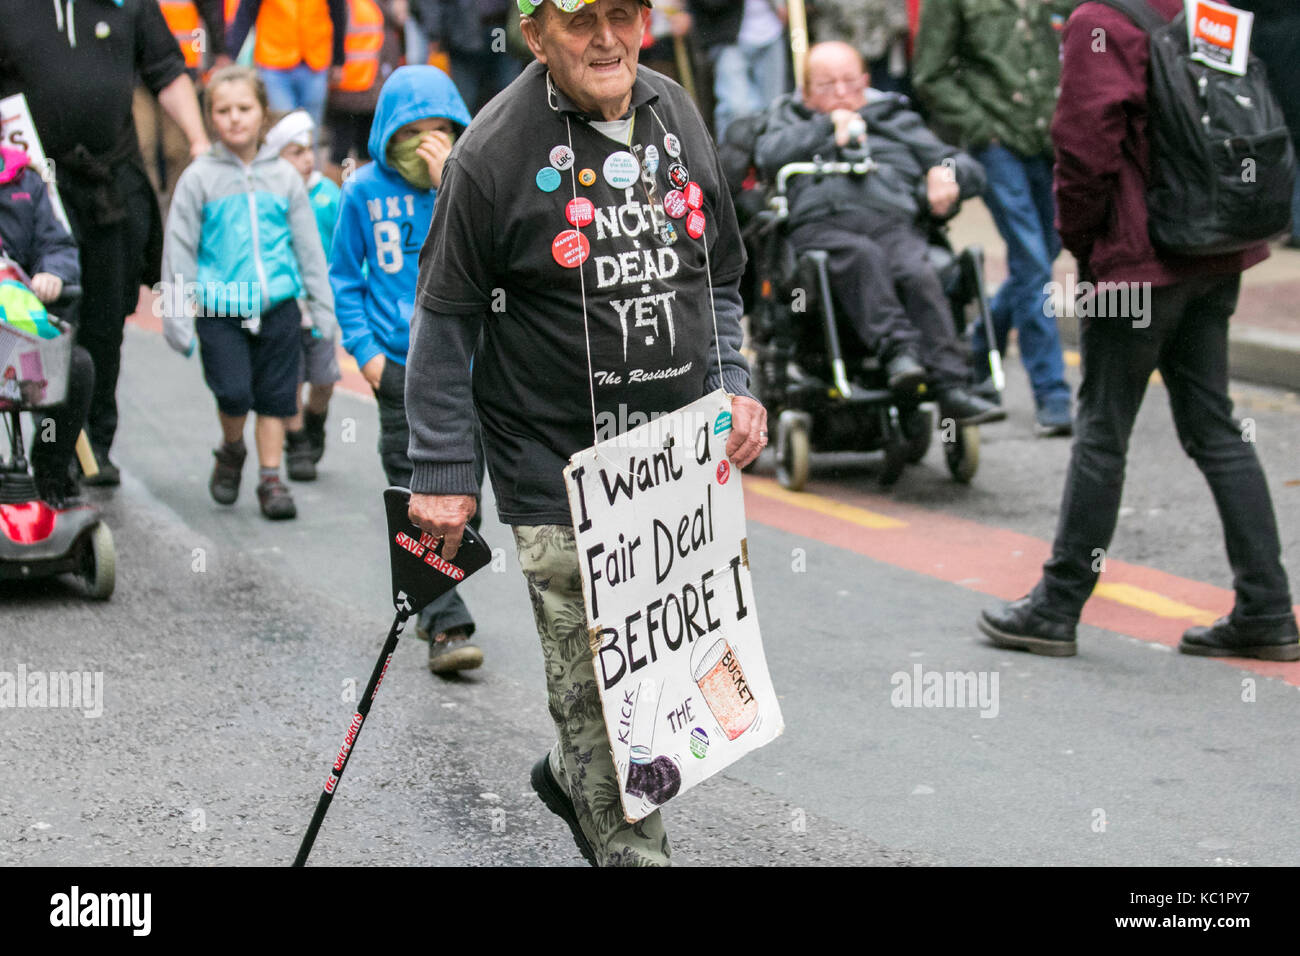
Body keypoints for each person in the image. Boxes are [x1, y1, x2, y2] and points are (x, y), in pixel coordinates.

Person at [405, 0, 766, 865]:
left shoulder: (676, 110)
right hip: (557, 466)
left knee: (674, 687)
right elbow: (446, 318)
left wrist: (732, 385)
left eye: (621, 15)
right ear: (534, 36)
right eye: (579, 22)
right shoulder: (491, 153)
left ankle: (576, 779)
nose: (607, 39)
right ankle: (629, 844)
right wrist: (444, 468)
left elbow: (717, 276)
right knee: (602, 695)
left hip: (676, 467)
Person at [976, 0, 1299, 662]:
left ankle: (1057, 606)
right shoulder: (1197, 9)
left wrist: (1083, 242)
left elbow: (1084, 144)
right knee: (1215, 428)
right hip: (1216, 247)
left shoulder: (1103, 21)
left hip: (1138, 261)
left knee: (1102, 432)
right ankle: (1267, 607)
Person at [0, 0, 210, 487]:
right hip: (31, 188)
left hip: (111, 182)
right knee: (43, 323)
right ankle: (52, 453)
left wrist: (199, 142)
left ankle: (95, 440)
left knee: (106, 317)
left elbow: (166, 69)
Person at [755, 41, 1005, 426]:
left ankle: (953, 387)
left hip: (891, 220)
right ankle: (900, 356)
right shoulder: (791, 119)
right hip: (823, 225)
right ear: (805, 92)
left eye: (849, 82)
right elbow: (767, 156)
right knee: (862, 258)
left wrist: (946, 174)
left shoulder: (893, 119)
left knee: (916, 270)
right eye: (825, 85)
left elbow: (969, 169)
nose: (840, 93)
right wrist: (827, 125)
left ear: (866, 82)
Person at [328, 65, 485, 672]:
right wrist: (365, 355)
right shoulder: (362, 192)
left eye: (438, 131)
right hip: (397, 368)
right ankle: (446, 620)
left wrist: (454, 180)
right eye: (409, 132)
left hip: (469, 370)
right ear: (384, 134)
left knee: (467, 497)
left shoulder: (468, 187)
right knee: (421, 492)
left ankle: (432, 597)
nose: (424, 144)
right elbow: (346, 277)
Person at [161, 67, 337, 520]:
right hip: (221, 310)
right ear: (210, 116)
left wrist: (321, 309)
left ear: (262, 114)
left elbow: (309, 250)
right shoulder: (199, 179)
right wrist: (178, 316)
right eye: (223, 110)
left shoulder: (283, 177)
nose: (235, 118)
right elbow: (179, 249)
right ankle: (232, 448)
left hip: (278, 306)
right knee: (234, 393)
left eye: (245, 108)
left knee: (278, 397)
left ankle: (271, 479)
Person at [913, 0, 1077, 436]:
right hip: (997, 141)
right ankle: (1052, 392)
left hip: (1054, 137)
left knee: (1047, 248)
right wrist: (980, 127)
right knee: (1032, 259)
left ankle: (980, 343)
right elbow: (930, 73)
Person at [0, 147, 92, 507]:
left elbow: (56, 243)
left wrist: (53, 272)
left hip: (17, 326)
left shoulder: (25, 180)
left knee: (76, 368)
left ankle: (50, 471)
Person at [264, 110, 343, 482]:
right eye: (295, 152)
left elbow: (344, 243)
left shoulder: (327, 193)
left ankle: (315, 421)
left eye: (310, 149)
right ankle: (296, 443)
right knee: (291, 377)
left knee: (324, 378)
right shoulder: (270, 194)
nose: (308, 158)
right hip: (284, 303)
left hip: (320, 302)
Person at [227, 0, 349, 130]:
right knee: (283, 127)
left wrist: (338, 61)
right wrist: (232, 55)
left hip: (314, 61)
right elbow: (245, 13)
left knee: (310, 129)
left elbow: (338, 13)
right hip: (274, 63)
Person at [323, 0, 407, 179]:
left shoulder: (374, 7)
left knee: (356, 149)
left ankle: (354, 194)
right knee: (346, 150)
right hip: (351, 88)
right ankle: (339, 197)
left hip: (359, 89)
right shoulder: (364, 7)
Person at [693, 0, 788, 141]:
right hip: (728, 34)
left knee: (774, 109)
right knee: (736, 109)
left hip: (773, 31)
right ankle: (733, 159)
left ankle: (769, 156)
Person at [412, 0, 526, 114]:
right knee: (466, 100)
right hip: (462, 36)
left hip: (500, 29)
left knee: (508, 95)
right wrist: (435, 31)